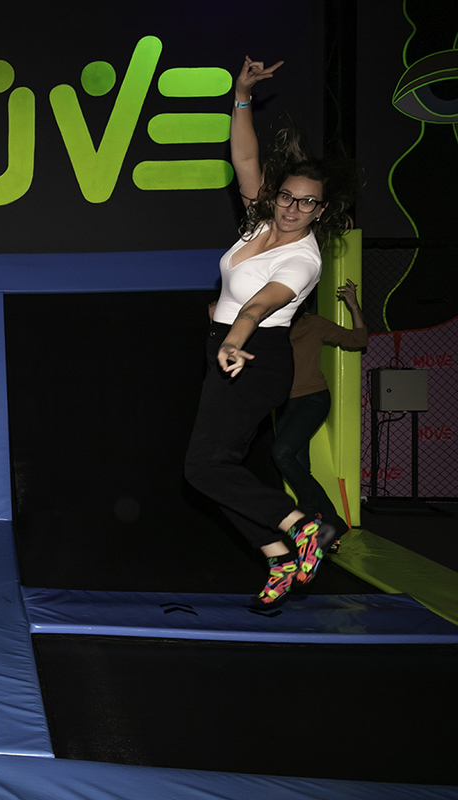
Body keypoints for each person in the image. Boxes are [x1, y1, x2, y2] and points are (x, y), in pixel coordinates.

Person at [183, 56, 359, 608]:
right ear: (277, 195)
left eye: (307, 203)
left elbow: (259, 307)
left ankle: (303, 526)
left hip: (257, 357)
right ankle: (279, 556)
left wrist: (234, 341)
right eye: (287, 196)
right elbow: (244, 157)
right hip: (229, 352)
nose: (292, 209)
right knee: (213, 470)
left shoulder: (303, 260)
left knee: (202, 467)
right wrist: (241, 95)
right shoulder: (260, 221)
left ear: (320, 210)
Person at [272, 280, 368, 548]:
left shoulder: (313, 324)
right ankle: (332, 521)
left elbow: (358, 340)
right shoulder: (271, 328)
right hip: (283, 404)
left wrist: (353, 305)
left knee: (281, 453)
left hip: (313, 399)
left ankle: (309, 509)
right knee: (299, 467)